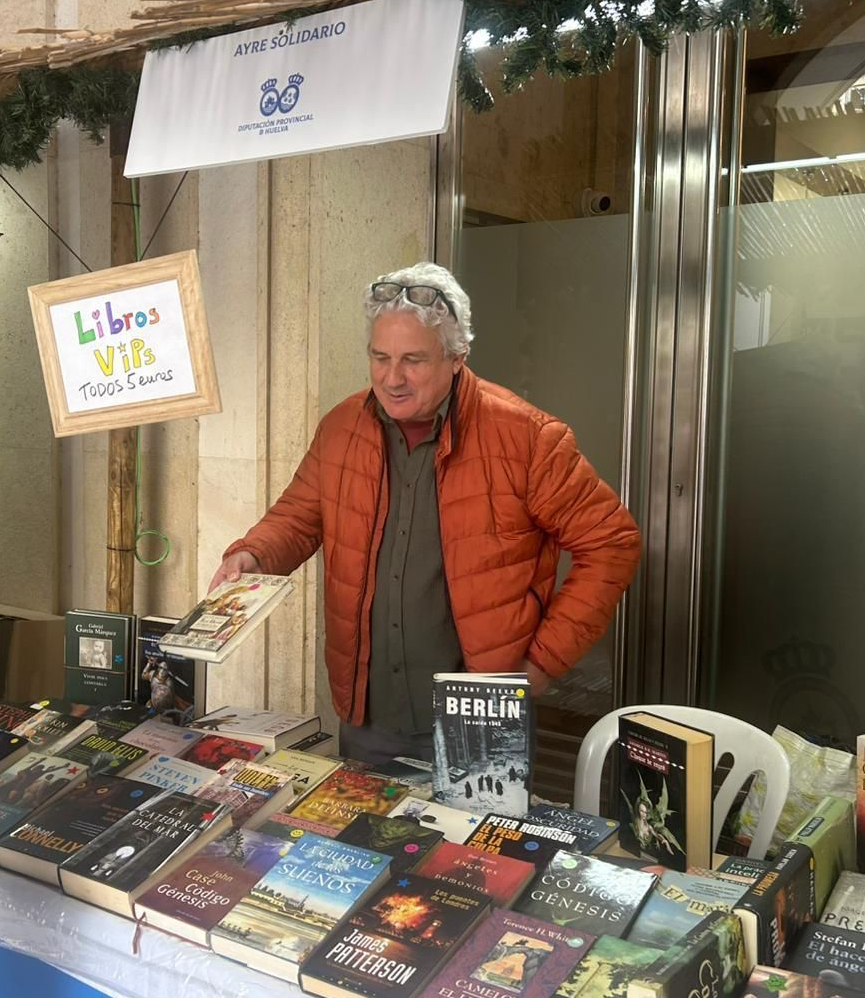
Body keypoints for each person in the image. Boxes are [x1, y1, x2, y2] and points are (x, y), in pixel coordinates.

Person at [211, 263, 641, 764]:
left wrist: (541, 663)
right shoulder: (342, 426)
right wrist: (252, 554)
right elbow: (298, 517)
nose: (392, 378)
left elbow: (611, 543)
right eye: (380, 357)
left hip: (483, 714)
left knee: (472, 845)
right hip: (369, 712)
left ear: (458, 357)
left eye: (413, 360)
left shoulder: (527, 437)